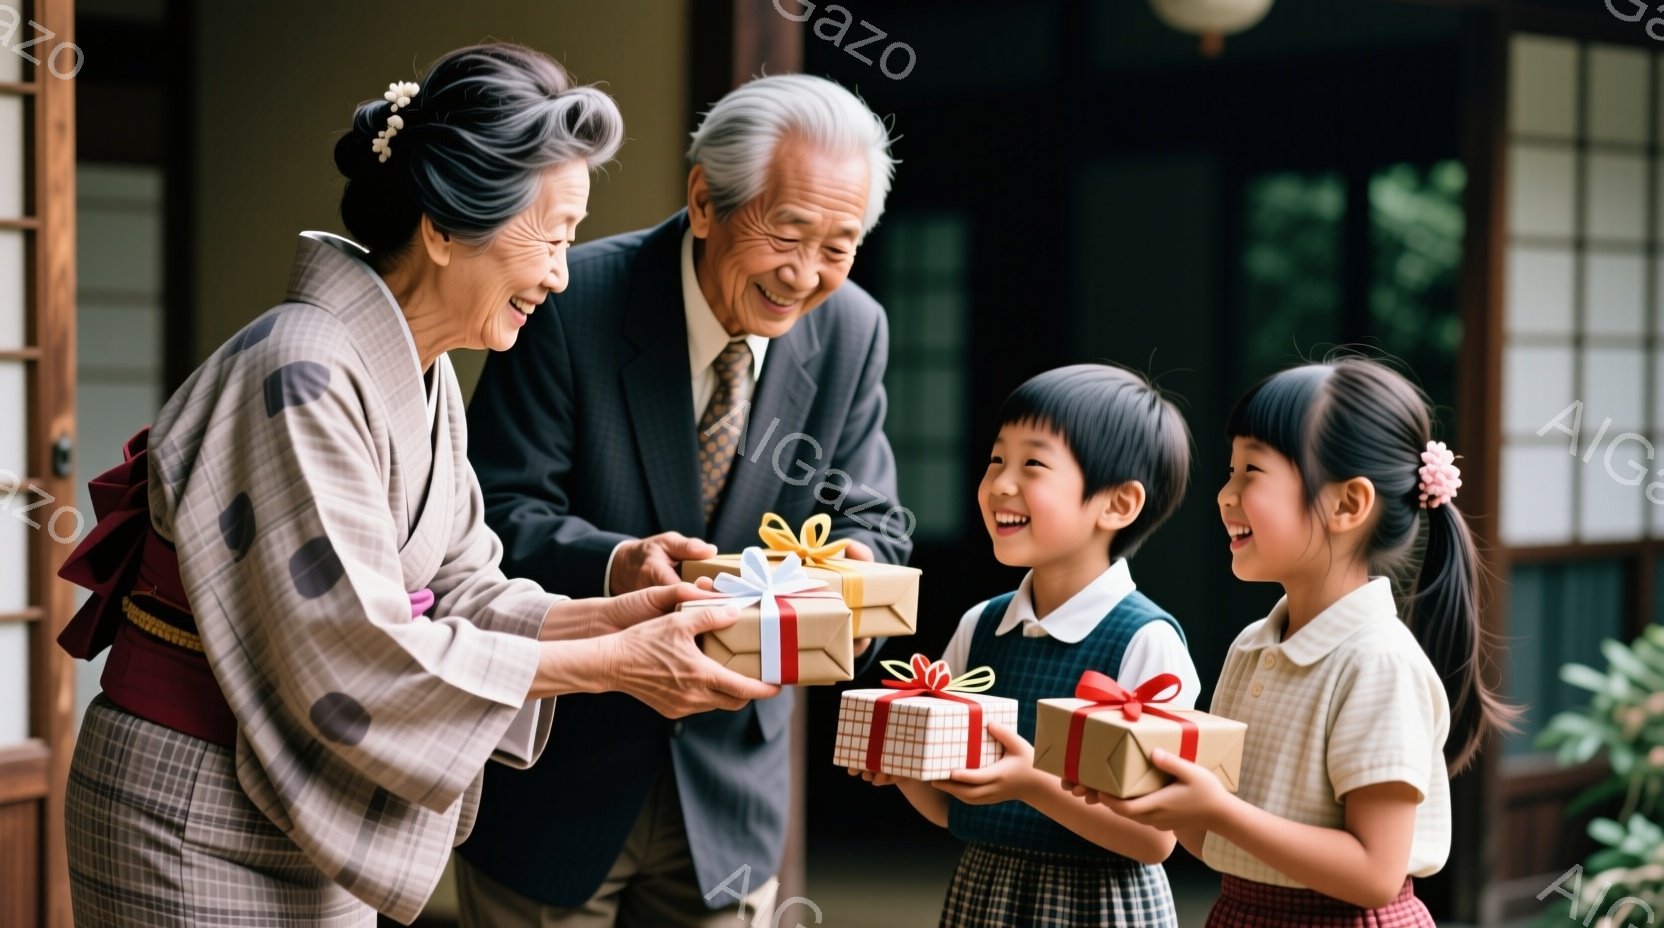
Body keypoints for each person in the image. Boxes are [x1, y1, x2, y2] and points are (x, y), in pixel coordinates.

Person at [56, 43, 774, 927]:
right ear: (441, 228)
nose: (558, 271)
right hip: (191, 806)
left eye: (571, 241)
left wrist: (632, 614)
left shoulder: (424, 374)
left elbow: (468, 587)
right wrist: (615, 666)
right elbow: (361, 649)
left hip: (306, 802)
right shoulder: (301, 369)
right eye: (548, 237)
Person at [457, 73, 908, 927]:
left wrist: (861, 569)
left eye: (839, 246)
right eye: (788, 231)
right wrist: (619, 562)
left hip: (733, 785)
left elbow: (872, 514)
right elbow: (496, 514)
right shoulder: (569, 299)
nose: (806, 274)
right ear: (705, 200)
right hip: (562, 770)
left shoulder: (854, 328)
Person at [1075, 357, 1518, 926]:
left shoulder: (1377, 661)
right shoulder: (1252, 647)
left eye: (1251, 473)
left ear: (1347, 504)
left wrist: (1219, 811)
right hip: (1242, 911)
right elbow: (1215, 840)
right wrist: (1141, 789)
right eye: (1229, 472)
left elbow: (1374, 875)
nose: (1224, 496)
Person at [854, 364, 1197, 928]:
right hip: (985, 889)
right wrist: (904, 767)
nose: (1000, 484)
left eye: (1032, 464)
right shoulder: (980, 626)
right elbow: (949, 809)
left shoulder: (1146, 642)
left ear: (1117, 504)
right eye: (996, 460)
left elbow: (1155, 838)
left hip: (1102, 903)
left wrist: (1030, 785)